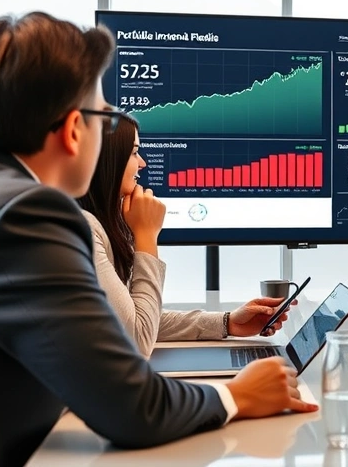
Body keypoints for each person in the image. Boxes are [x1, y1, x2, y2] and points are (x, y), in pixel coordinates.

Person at [0, 12, 317, 466]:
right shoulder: (22, 216)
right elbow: (131, 409)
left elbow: (93, 327)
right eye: (105, 119)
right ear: (72, 130)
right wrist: (237, 396)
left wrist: (222, 324)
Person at [77, 115, 291, 357]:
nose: (143, 164)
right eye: (134, 152)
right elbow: (137, 340)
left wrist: (228, 323)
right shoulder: (82, 230)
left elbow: (137, 318)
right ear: (107, 160)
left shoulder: (98, 225)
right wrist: (146, 235)